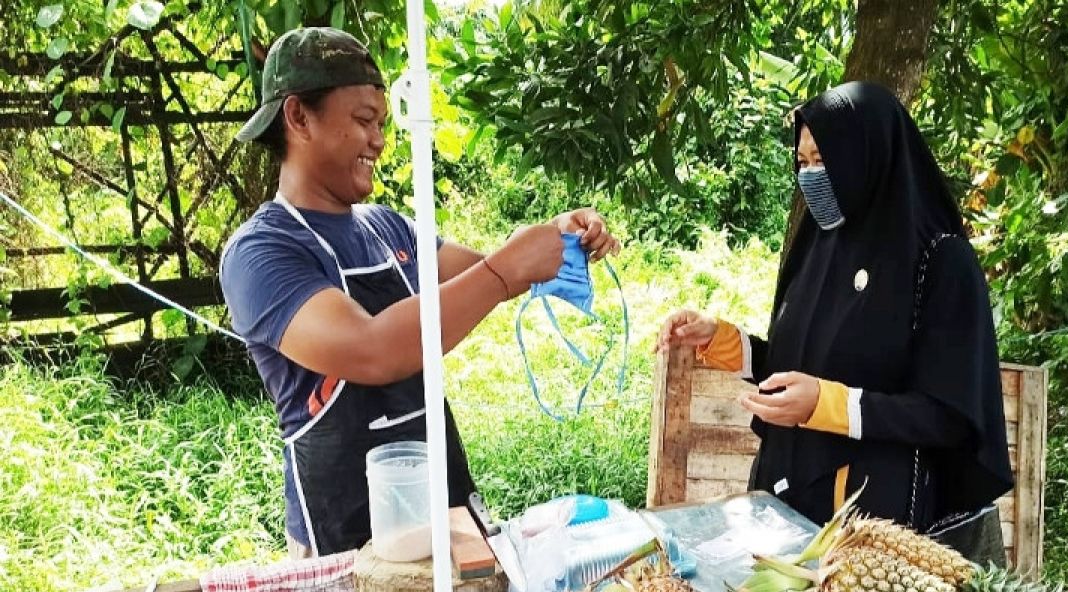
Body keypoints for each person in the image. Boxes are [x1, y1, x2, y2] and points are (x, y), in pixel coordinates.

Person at [220, 27, 620, 558]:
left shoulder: (387, 227)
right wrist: (506, 269)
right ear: (298, 118)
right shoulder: (262, 252)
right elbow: (373, 350)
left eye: (381, 123)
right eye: (363, 121)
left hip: (442, 510)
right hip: (346, 541)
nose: (379, 140)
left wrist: (556, 241)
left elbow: (482, 275)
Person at [657, 81, 1013, 544]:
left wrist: (831, 406)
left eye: (823, 161)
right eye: (802, 163)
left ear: (869, 156)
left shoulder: (940, 261)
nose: (810, 177)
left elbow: (949, 414)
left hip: (871, 523)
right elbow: (804, 366)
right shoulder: (818, 247)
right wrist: (722, 341)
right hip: (781, 501)